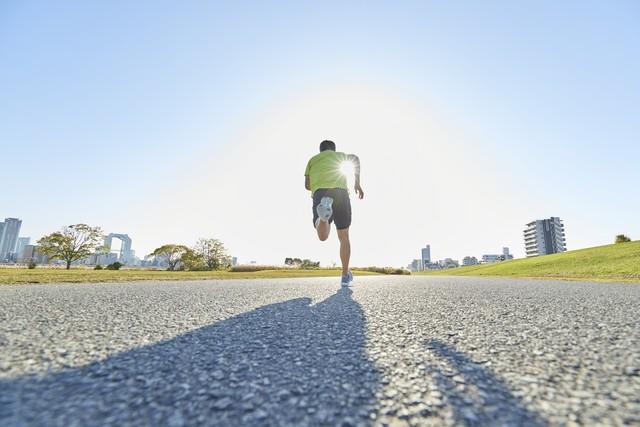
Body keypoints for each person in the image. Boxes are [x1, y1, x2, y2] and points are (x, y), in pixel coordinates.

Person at [304, 140, 364, 286]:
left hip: (321, 194)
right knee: (344, 237)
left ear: (320, 150)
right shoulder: (340, 156)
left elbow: (307, 185)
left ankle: (323, 218)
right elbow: (355, 158)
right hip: (341, 193)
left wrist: (318, 184)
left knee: (323, 236)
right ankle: (345, 275)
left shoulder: (313, 160)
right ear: (333, 149)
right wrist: (357, 182)